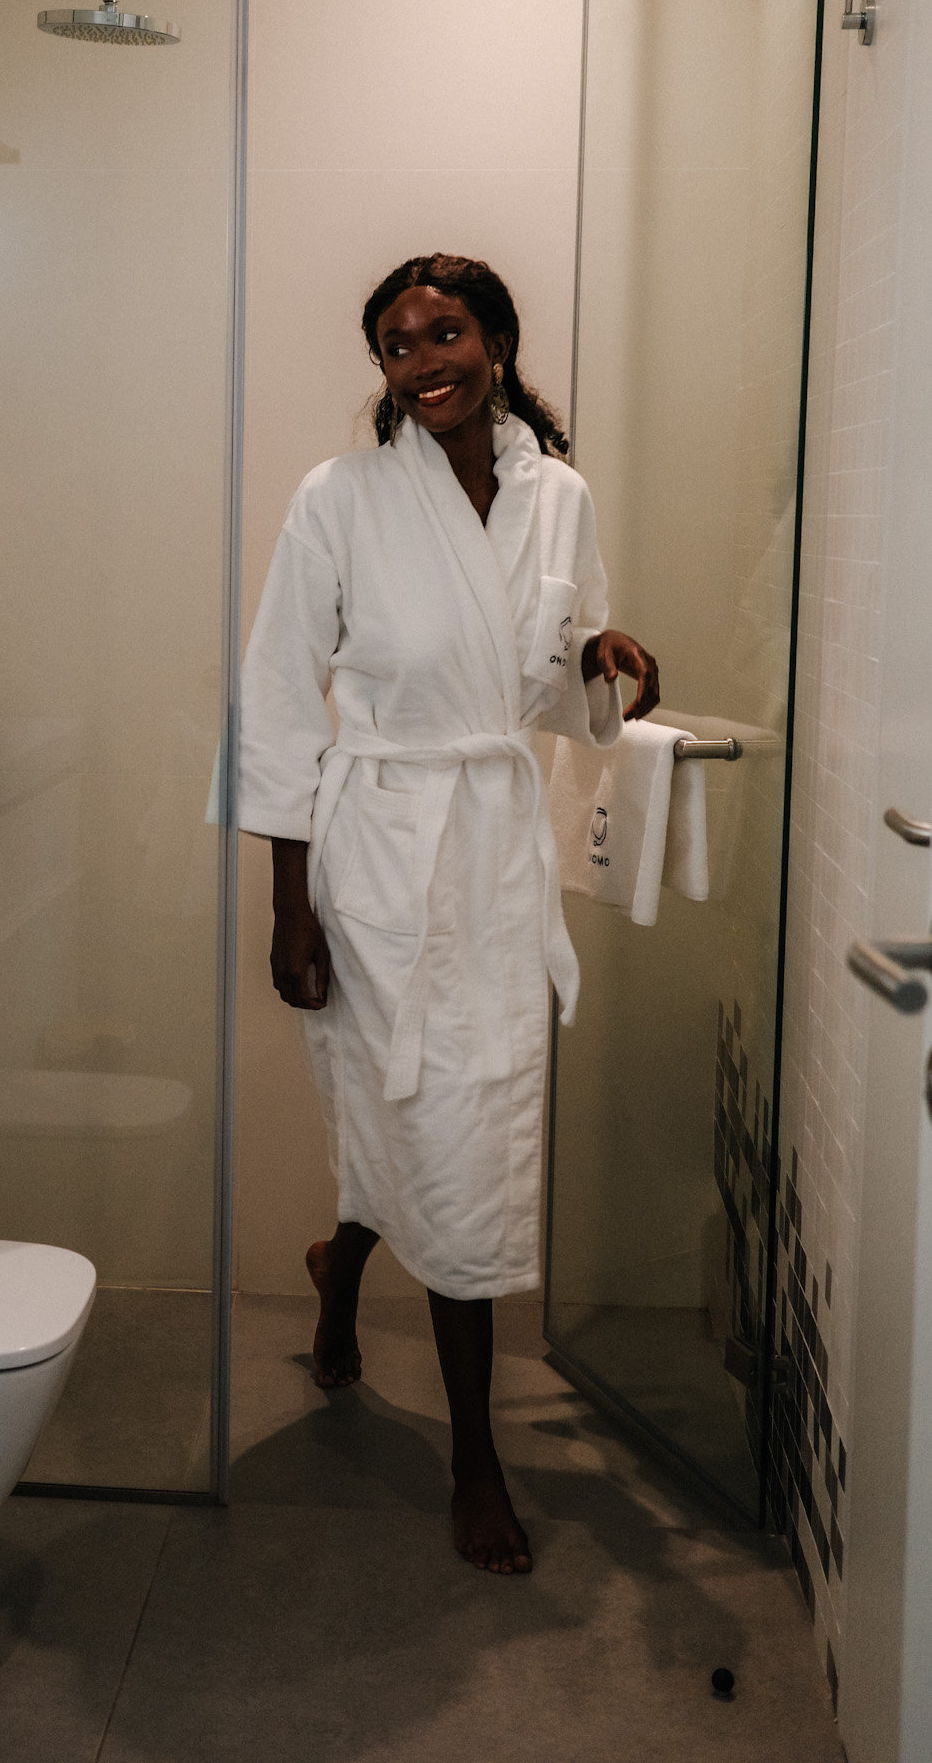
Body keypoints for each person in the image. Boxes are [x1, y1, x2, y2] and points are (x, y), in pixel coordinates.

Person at [238, 253, 659, 1575]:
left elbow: (555, 677)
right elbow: (275, 700)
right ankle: (475, 1459)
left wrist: (604, 661)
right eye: (397, 344)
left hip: (490, 855)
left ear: (497, 343)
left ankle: (339, 1271)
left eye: (446, 333)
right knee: (419, 1113)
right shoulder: (341, 499)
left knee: (443, 1124)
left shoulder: (558, 496)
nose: (423, 362)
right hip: (373, 856)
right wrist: (288, 910)